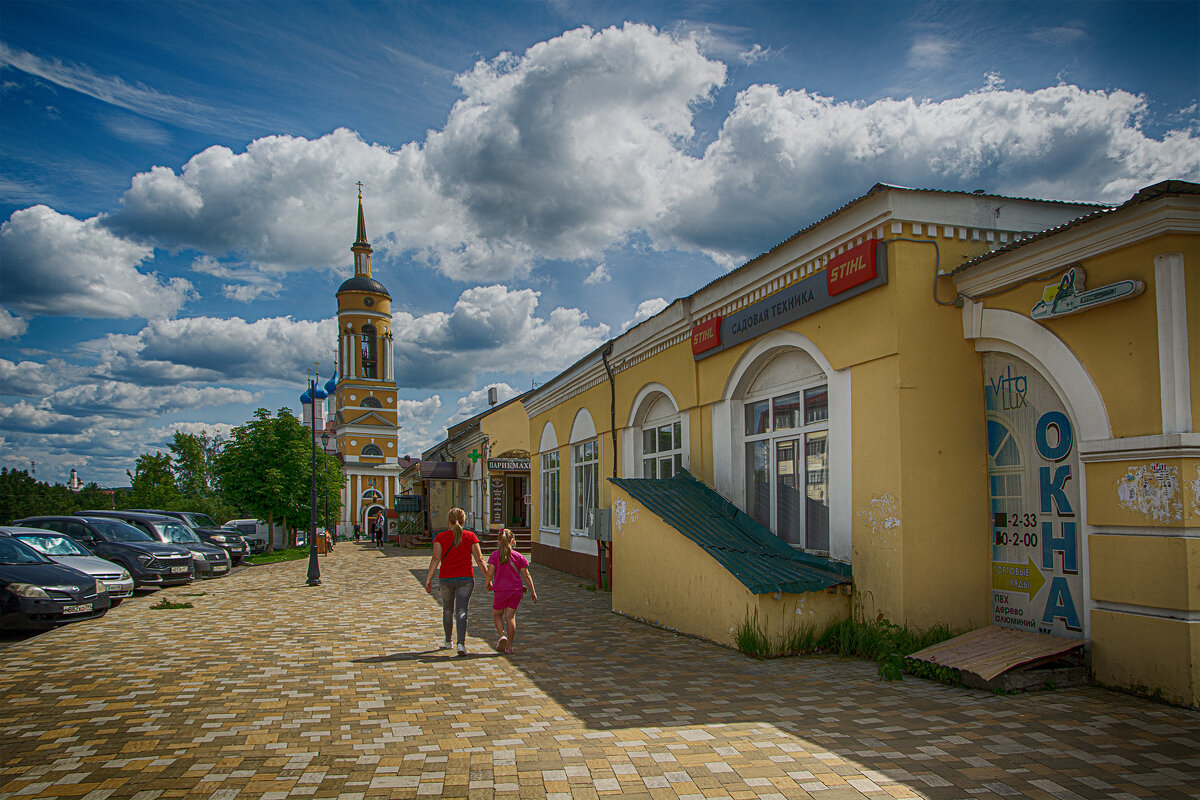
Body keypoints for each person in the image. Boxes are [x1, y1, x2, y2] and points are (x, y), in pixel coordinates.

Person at [424, 507, 487, 655]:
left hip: (445, 578)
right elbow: (480, 559)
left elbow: (435, 559)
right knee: (462, 610)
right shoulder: (471, 536)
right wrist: (488, 578)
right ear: (464, 520)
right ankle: (461, 644)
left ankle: (448, 640)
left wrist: (428, 579)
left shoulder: (440, 537)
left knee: (447, 610)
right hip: (465, 578)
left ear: (449, 521)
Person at [485, 528, 537, 654]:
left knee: (497, 615)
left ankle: (502, 636)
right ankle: (509, 646)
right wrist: (532, 591)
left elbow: (490, 573)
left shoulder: (494, 556)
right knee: (510, 617)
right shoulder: (519, 556)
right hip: (515, 591)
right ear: (512, 541)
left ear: (498, 541)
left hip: (500, 590)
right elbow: (526, 575)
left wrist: (488, 584)